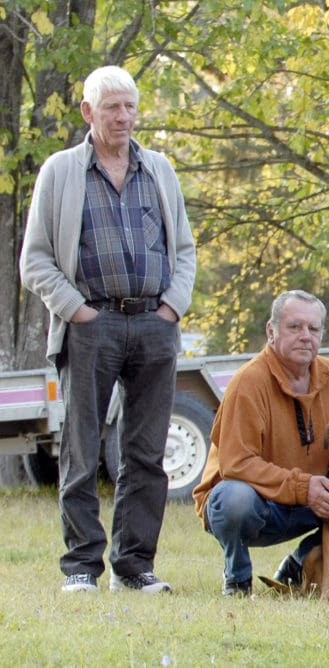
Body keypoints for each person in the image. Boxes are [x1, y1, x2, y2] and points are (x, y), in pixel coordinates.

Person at [19, 65, 197, 594]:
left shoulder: (159, 169)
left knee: (146, 453)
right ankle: (81, 568)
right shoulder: (60, 171)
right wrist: (77, 310)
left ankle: (135, 566)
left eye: (130, 107)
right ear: (87, 112)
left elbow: (183, 251)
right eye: (113, 107)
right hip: (90, 324)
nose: (124, 117)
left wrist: (171, 308)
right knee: (80, 449)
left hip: (153, 323)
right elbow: (36, 261)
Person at [193, 290, 329, 596]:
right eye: (295, 327)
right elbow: (236, 464)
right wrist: (303, 487)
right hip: (258, 503)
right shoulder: (247, 383)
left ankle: (303, 563)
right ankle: (236, 577)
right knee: (234, 499)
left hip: (314, 500)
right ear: (271, 331)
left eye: (313, 329)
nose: (305, 336)